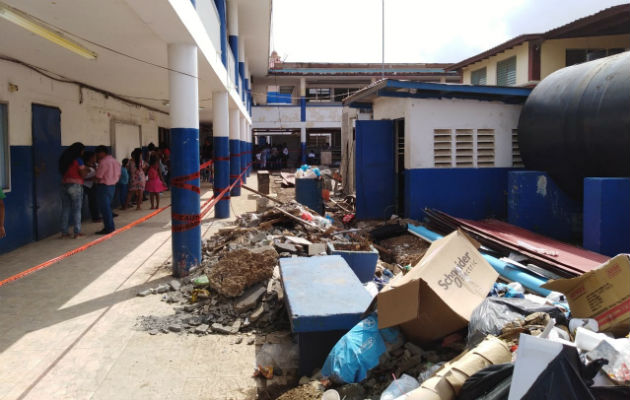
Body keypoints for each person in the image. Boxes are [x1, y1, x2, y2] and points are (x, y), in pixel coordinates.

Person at [59, 142, 87, 238]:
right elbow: (83, 174)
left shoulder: (64, 160)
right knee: (77, 209)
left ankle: (64, 232)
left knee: (65, 209)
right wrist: (87, 170)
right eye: (83, 150)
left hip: (64, 185)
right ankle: (77, 232)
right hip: (75, 186)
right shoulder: (78, 160)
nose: (83, 152)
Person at [94, 145, 121, 234]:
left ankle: (109, 227)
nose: (97, 156)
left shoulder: (103, 162)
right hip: (112, 186)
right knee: (107, 207)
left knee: (105, 209)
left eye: (98, 153)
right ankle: (110, 226)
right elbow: (119, 174)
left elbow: (98, 176)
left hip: (104, 187)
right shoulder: (115, 161)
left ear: (102, 153)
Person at [82, 151, 100, 222]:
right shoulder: (84, 166)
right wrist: (91, 178)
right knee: (90, 201)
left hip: (94, 184)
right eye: (94, 157)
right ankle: (94, 217)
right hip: (86, 185)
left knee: (95, 201)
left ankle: (96, 216)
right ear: (89, 158)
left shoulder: (96, 164)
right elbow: (82, 177)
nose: (95, 158)